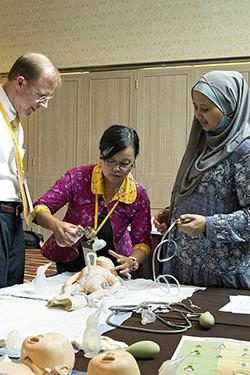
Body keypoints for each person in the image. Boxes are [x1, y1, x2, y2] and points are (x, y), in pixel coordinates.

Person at [154, 70, 250, 289]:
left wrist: (209, 225)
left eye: (205, 108)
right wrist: (174, 213)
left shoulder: (244, 151)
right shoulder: (202, 145)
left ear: (230, 108)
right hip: (183, 273)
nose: (198, 114)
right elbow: (210, 197)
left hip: (223, 280)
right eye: (196, 107)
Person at [33, 125, 152, 279]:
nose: (116, 169)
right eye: (110, 161)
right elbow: (39, 208)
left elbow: (142, 242)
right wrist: (57, 226)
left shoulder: (138, 195)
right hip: (72, 259)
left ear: (134, 160)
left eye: (125, 163)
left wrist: (132, 261)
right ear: (101, 154)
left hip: (114, 266)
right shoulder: (78, 177)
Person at [0, 53, 61, 288]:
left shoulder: (16, 122)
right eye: (40, 96)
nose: (43, 105)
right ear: (20, 82)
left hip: (13, 216)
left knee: (12, 290)